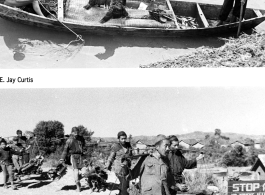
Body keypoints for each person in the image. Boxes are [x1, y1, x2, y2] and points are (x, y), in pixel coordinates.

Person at [105, 131, 132, 195]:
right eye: (122, 139)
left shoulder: (128, 145)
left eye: (125, 138)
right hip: (119, 169)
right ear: (119, 139)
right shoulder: (116, 146)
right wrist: (107, 165)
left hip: (127, 168)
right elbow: (111, 157)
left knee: (126, 185)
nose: (124, 140)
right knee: (124, 186)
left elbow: (131, 156)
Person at [60, 127, 86, 192]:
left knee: (83, 171)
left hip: (80, 156)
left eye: (77, 132)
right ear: (72, 132)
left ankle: (78, 182)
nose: (76, 134)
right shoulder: (70, 140)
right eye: (75, 132)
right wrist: (62, 158)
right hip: (74, 156)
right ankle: (78, 186)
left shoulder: (80, 139)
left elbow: (84, 146)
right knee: (76, 171)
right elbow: (65, 151)